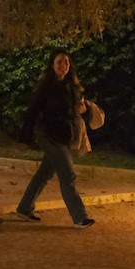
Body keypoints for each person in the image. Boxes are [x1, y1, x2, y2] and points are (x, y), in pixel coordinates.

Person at [13, 50, 93, 228]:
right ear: (52, 65)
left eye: (66, 63)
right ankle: (80, 217)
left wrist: (82, 109)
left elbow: (72, 113)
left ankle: (24, 208)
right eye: (59, 63)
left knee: (45, 173)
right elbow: (32, 112)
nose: (63, 66)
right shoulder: (46, 87)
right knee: (68, 174)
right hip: (48, 135)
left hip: (63, 135)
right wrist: (24, 138)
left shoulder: (72, 87)